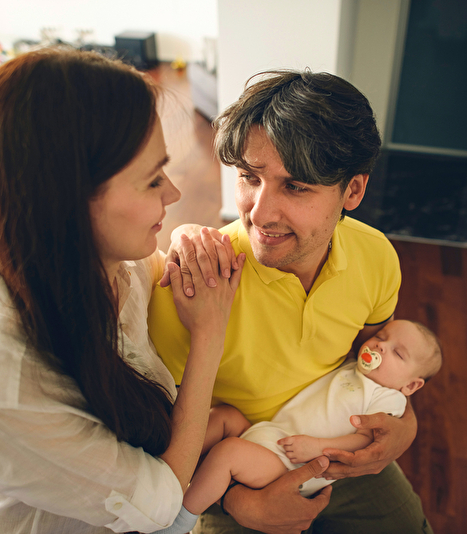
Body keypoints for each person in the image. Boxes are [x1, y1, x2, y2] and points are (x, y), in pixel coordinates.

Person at [0, 48, 245, 533]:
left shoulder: (119, 267)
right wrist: (209, 335)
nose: (174, 193)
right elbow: (160, 504)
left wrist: (187, 240)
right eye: (152, 181)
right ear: (69, 201)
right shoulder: (0, 387)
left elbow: (164, 269)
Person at [148, 70, 435, 533]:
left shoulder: (377, 256)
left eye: (296, 186)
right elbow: (164, 448)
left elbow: (371, 358)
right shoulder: (195, 285)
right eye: (249, 177)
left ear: (353, 191)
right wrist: (239, 502)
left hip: (339, 448)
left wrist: (407, 425)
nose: (259, 214)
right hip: (232, 466)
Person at [154, 320, 442, 534]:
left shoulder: (389, 398)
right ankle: (165, 464)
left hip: (289, 464)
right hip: (270, 432)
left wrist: (317, 448)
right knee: (223, 416)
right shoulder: (354, 367)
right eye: (381, 337)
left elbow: (364, 442)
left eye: (397, 353)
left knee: (227, 453)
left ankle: (179, 520)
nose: (380, 346)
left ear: (411, 386)